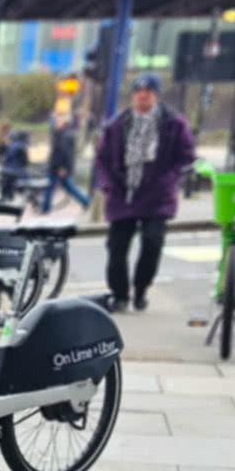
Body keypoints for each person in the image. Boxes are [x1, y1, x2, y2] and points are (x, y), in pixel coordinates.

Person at [95, 74, 196, 311]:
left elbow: (186, 157)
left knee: (152, 242)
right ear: (132, 95)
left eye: (149, 92)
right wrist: (107, 184)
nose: (143, 96)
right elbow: (102, 159)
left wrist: (169, 180)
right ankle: (120, 294)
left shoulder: (173, 124)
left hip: (157, 195)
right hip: (123, 193)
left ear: (156, 96)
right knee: (116, 247)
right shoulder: (117, 125)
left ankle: (141, 288)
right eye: (139, 91)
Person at [42, 116, 90, 212]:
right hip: (58, 167)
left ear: (63, 124)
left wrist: (62, 168)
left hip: (58, 168)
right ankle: (87, 202)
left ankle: (45, 208)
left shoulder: (63, 135)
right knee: (67, 188)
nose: (55, 123)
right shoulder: (63, 134)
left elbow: (63, 153)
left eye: (57, 121)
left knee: (52, 187)